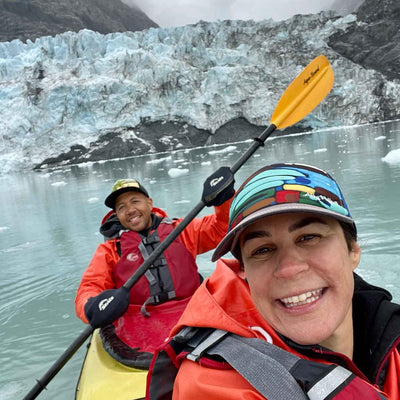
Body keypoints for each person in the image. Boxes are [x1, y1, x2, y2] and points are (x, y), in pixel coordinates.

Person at [147, 163, 400, 400]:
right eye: (263, 250)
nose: (289, 269)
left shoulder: (392, 336)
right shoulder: (212, 384)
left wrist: (223, 203)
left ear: (353, 250)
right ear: (244, 271)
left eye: (309, 237)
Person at [74, 167, 234, 364]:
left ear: (149, 203)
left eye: (135, 201)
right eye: (121, 207)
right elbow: (88, 289)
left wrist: (224, 200)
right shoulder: (109, 250)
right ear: (117, 215)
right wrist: (91, 307)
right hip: (136, 324)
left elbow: (221, 227)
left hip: (191, 313)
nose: (130, 210)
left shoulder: (181, 230)